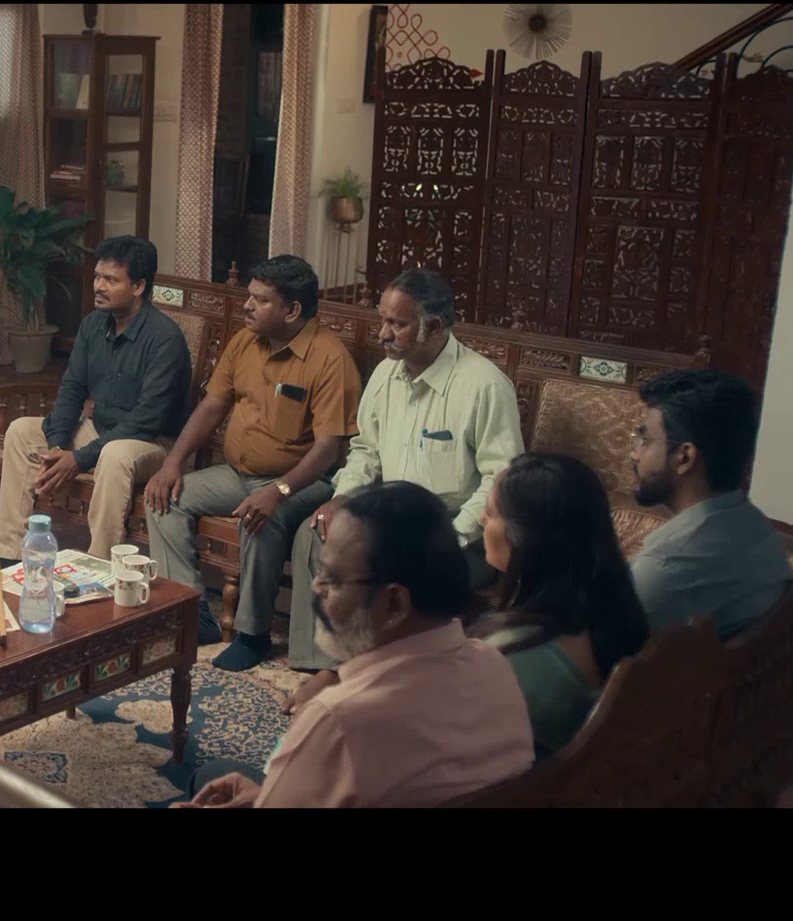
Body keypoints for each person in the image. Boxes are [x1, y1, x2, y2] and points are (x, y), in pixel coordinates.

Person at [175, 481, 533, 808]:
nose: (316, 588)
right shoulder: (496, 666)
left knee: (209, 776)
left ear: (393, 603)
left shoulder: (337, 720)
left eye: (331, 578)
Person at [292, 266, 523, 670]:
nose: (383, 333)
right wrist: (342, 498)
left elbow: (500, 480)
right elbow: (366, 451)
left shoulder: (484, 386)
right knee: (314, 534)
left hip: (459, 533)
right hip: (395, 520)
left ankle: (381, 674)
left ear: (434, 327)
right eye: (383, 320)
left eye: (397, 324)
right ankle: (324, 666)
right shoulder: (385, 373)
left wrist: (450, 535)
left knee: (381, 571)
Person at [144, 255, 361, 671]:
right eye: (250, 296)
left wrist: (278, 491)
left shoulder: (329, 359)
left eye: (260, 300)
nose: (247, 306)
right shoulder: (245, 341)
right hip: (237, 473)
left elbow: (329, 449)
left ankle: (252, 634)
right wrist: (173, 462)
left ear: (292, 310)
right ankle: (192, 614)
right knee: (165, 497)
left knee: (262, 518)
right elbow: (212, 406)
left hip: (303, 481)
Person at [0, 235, 191, 563]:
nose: (99, 286)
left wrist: (79, 458)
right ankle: (11, 559)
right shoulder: (93, 325)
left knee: (114, 455)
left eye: (111, 280)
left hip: (154, 444)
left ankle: (100, 566)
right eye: (98, 277)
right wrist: (58, 446)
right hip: (103, 432)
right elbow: (72, 389)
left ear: (139, 286)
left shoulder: (164, 339)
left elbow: (147, 420)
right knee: (21, 432)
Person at [466, 453, 651, 758]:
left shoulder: (506, 658)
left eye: (491, 512)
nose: (482, 520)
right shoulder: (617, 609)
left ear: (526, 537)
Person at [628, 368, 792, 638]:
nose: (634, 453)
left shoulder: (663, 570)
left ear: (685, 457)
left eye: (644, 440)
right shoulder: (759, 529)